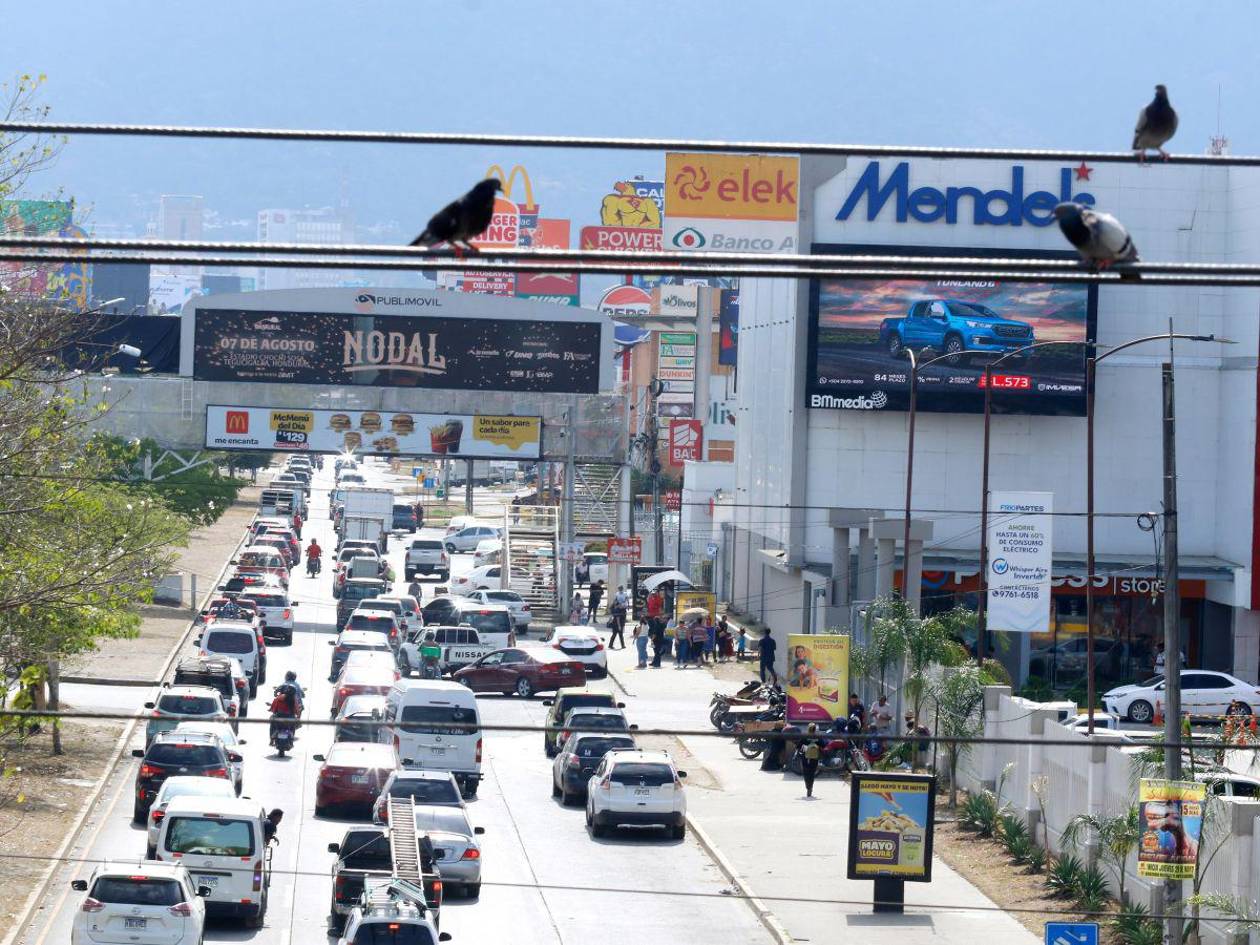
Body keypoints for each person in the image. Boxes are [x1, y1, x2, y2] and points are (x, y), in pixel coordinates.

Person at [797, 722, 822, 797]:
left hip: (805, 757)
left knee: (806, 772)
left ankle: (808, 787)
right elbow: (823, 744)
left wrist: (803, 749)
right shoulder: (818, 737)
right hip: (815, 757)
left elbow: (799, 746)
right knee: (812, 773)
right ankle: (810, 787)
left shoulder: (805, 736)